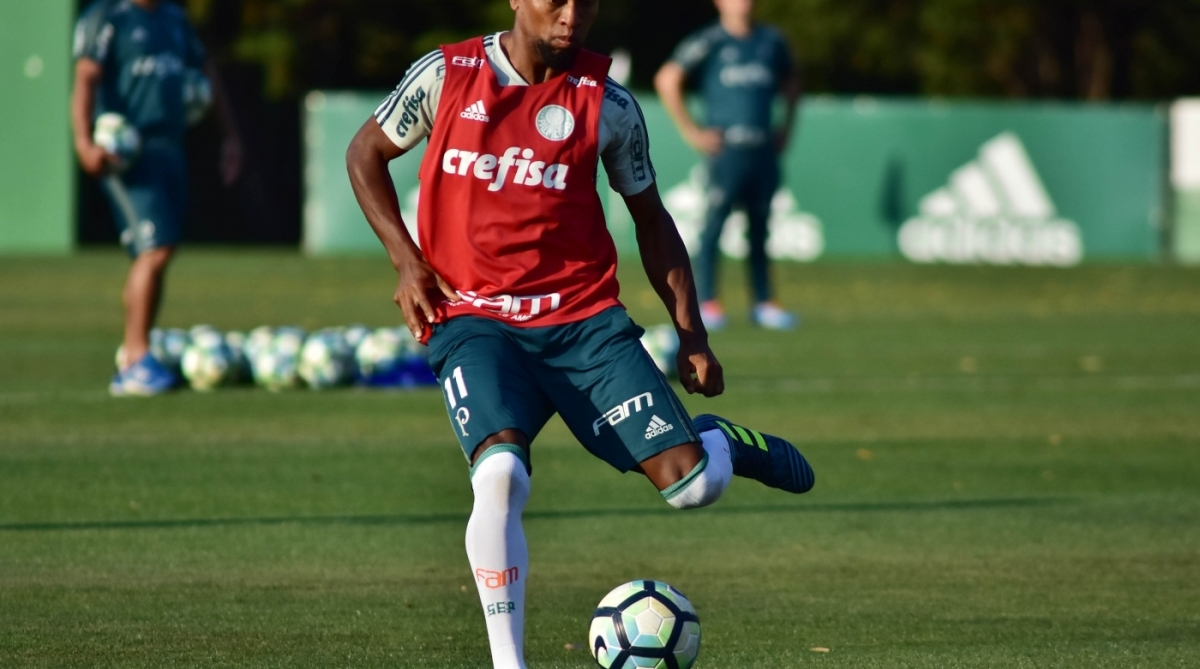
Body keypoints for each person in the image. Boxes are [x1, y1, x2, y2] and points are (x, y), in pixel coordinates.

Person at [346, 1, 814, 667]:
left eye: (586, 2)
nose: (571, 15)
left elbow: (652, 222)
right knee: (500, 474)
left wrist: (693, 335)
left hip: (583, 324)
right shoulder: (445, 75)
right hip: (474, 318)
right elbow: (365, 152)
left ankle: (724, 444)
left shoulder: (610, 104)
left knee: (692, 487)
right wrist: (407, 260)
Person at [72, 0, 242, 395]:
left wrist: (230, 136)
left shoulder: (173, 18)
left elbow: (207, 73)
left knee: (156, 253)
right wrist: (84, 143)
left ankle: (137, 351)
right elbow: (85, 78)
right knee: (155, 250)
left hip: (171, 149)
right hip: (126, 152)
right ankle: (134, 359)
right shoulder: (107, 17)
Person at [655, 0, 802, 331]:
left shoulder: (771, 41)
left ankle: (764, 303)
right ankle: (707, 302)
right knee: (713, 228)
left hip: (763, 149)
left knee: (761, 228)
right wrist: (691, 131)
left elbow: (792, 82)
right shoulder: (709, 41)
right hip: (727, 151)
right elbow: (667, 78)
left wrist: (787, 127)